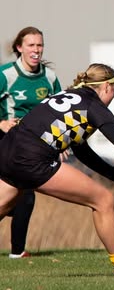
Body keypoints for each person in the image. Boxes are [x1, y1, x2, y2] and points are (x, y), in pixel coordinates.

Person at [0, 63, 114, 277]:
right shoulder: (95, 107)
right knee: (103, 200)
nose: (113, 96)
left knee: (4, 204)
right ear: (107, 86)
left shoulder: (70, 95)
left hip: (6, 149)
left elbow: (81, 151)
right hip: (32, 159)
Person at [0, 27, 62, 258]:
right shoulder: (5, 75)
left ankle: (17, 251)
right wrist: (1, 123)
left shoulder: (50, 77)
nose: (36, 50)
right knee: (21, 194)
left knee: (24, 194)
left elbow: (59, 112)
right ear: (19, 48)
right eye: (31, 45)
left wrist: (59, 143)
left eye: (40, 45)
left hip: (34, 144)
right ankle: (17, 251)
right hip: (7, 140)